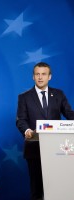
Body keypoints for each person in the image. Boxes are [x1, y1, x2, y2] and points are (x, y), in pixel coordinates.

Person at [16, 62, 74, 200]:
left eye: (43, 74)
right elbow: (21, 120)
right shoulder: (24, 97)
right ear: (33, 77)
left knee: (57, 187)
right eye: (37, 74)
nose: (40, 77)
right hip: (34, 149)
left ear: (50, 77)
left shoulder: (59, 94)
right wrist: (27, 130)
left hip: (58, 150)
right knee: (37, 190)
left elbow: (69, 114)